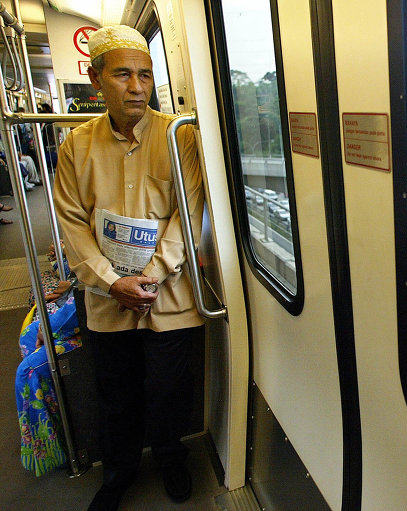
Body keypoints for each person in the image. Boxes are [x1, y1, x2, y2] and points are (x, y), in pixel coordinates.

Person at [52, 25, 204, 511]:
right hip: (106, 296)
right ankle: (118, 472)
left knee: (168, 389)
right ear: (97, 80)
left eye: (144, 75)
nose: (136, 87)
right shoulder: (76, 146)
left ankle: (169, 455)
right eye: (122, 75)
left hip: (170, 293)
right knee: (116, 395)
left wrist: (153, 275)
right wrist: (111, 281)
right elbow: (72, 223)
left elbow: (189, 213)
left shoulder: (179, 135)